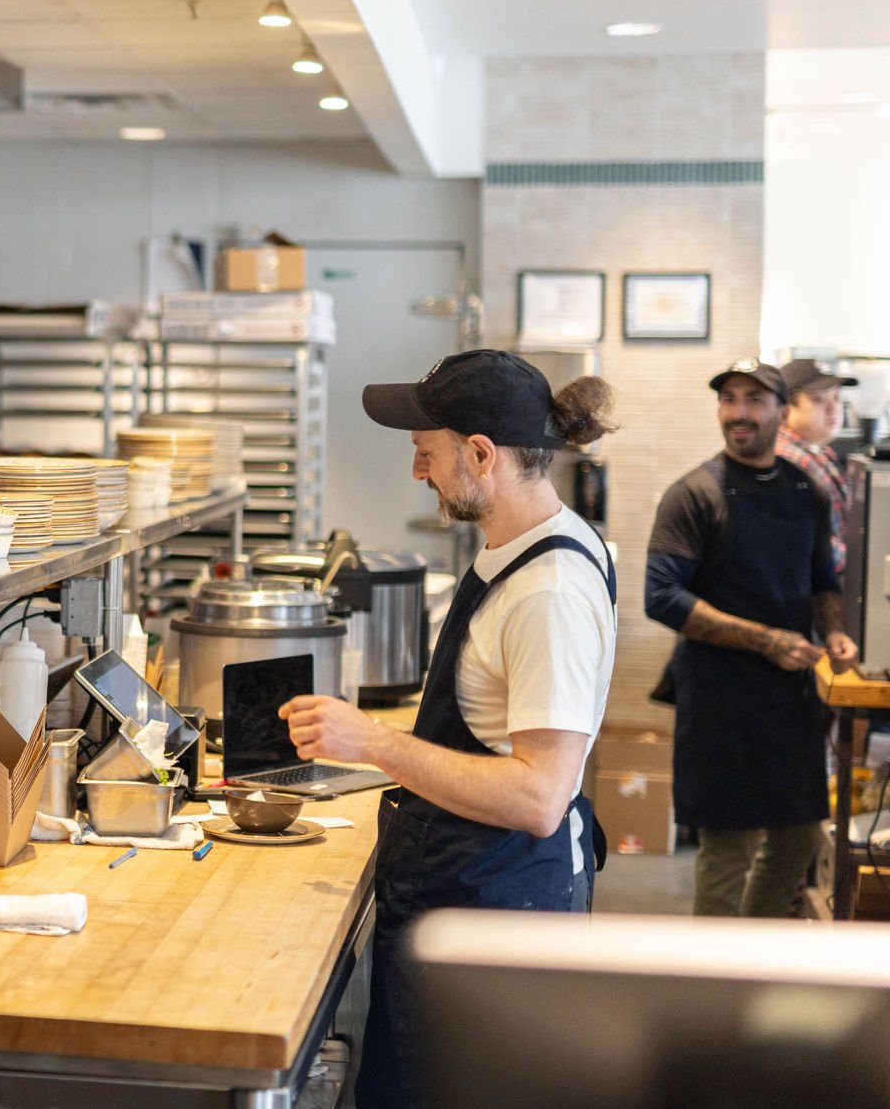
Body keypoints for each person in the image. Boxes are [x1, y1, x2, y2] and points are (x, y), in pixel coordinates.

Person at [278, 350, 620, 1109]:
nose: (416, 473)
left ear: (480, 455)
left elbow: (539, 794)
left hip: (497, 910)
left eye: (423, 453)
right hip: (465, 886)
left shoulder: (548, 592)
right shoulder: (520, 547)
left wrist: (372, 742)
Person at [644, 357, 858, 919]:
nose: (739, 413)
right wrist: (768, 640)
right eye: (729, 399)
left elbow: (822, 582)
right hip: (719, 698)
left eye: (754, 400)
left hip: (790, 699)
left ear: (781, 412)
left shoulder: (803, 490)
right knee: (728, 851)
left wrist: (834, 631)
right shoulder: (693, 493)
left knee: (799, 838)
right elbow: (662, 596)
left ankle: (752, 955)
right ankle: (711, 989)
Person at [776, 357, 858, 575]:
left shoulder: (816, 450)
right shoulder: (785, 459)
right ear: (785, 408)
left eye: (837, 397)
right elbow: (804, 539)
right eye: (818, 400)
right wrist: (863, 559)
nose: (833, 409)